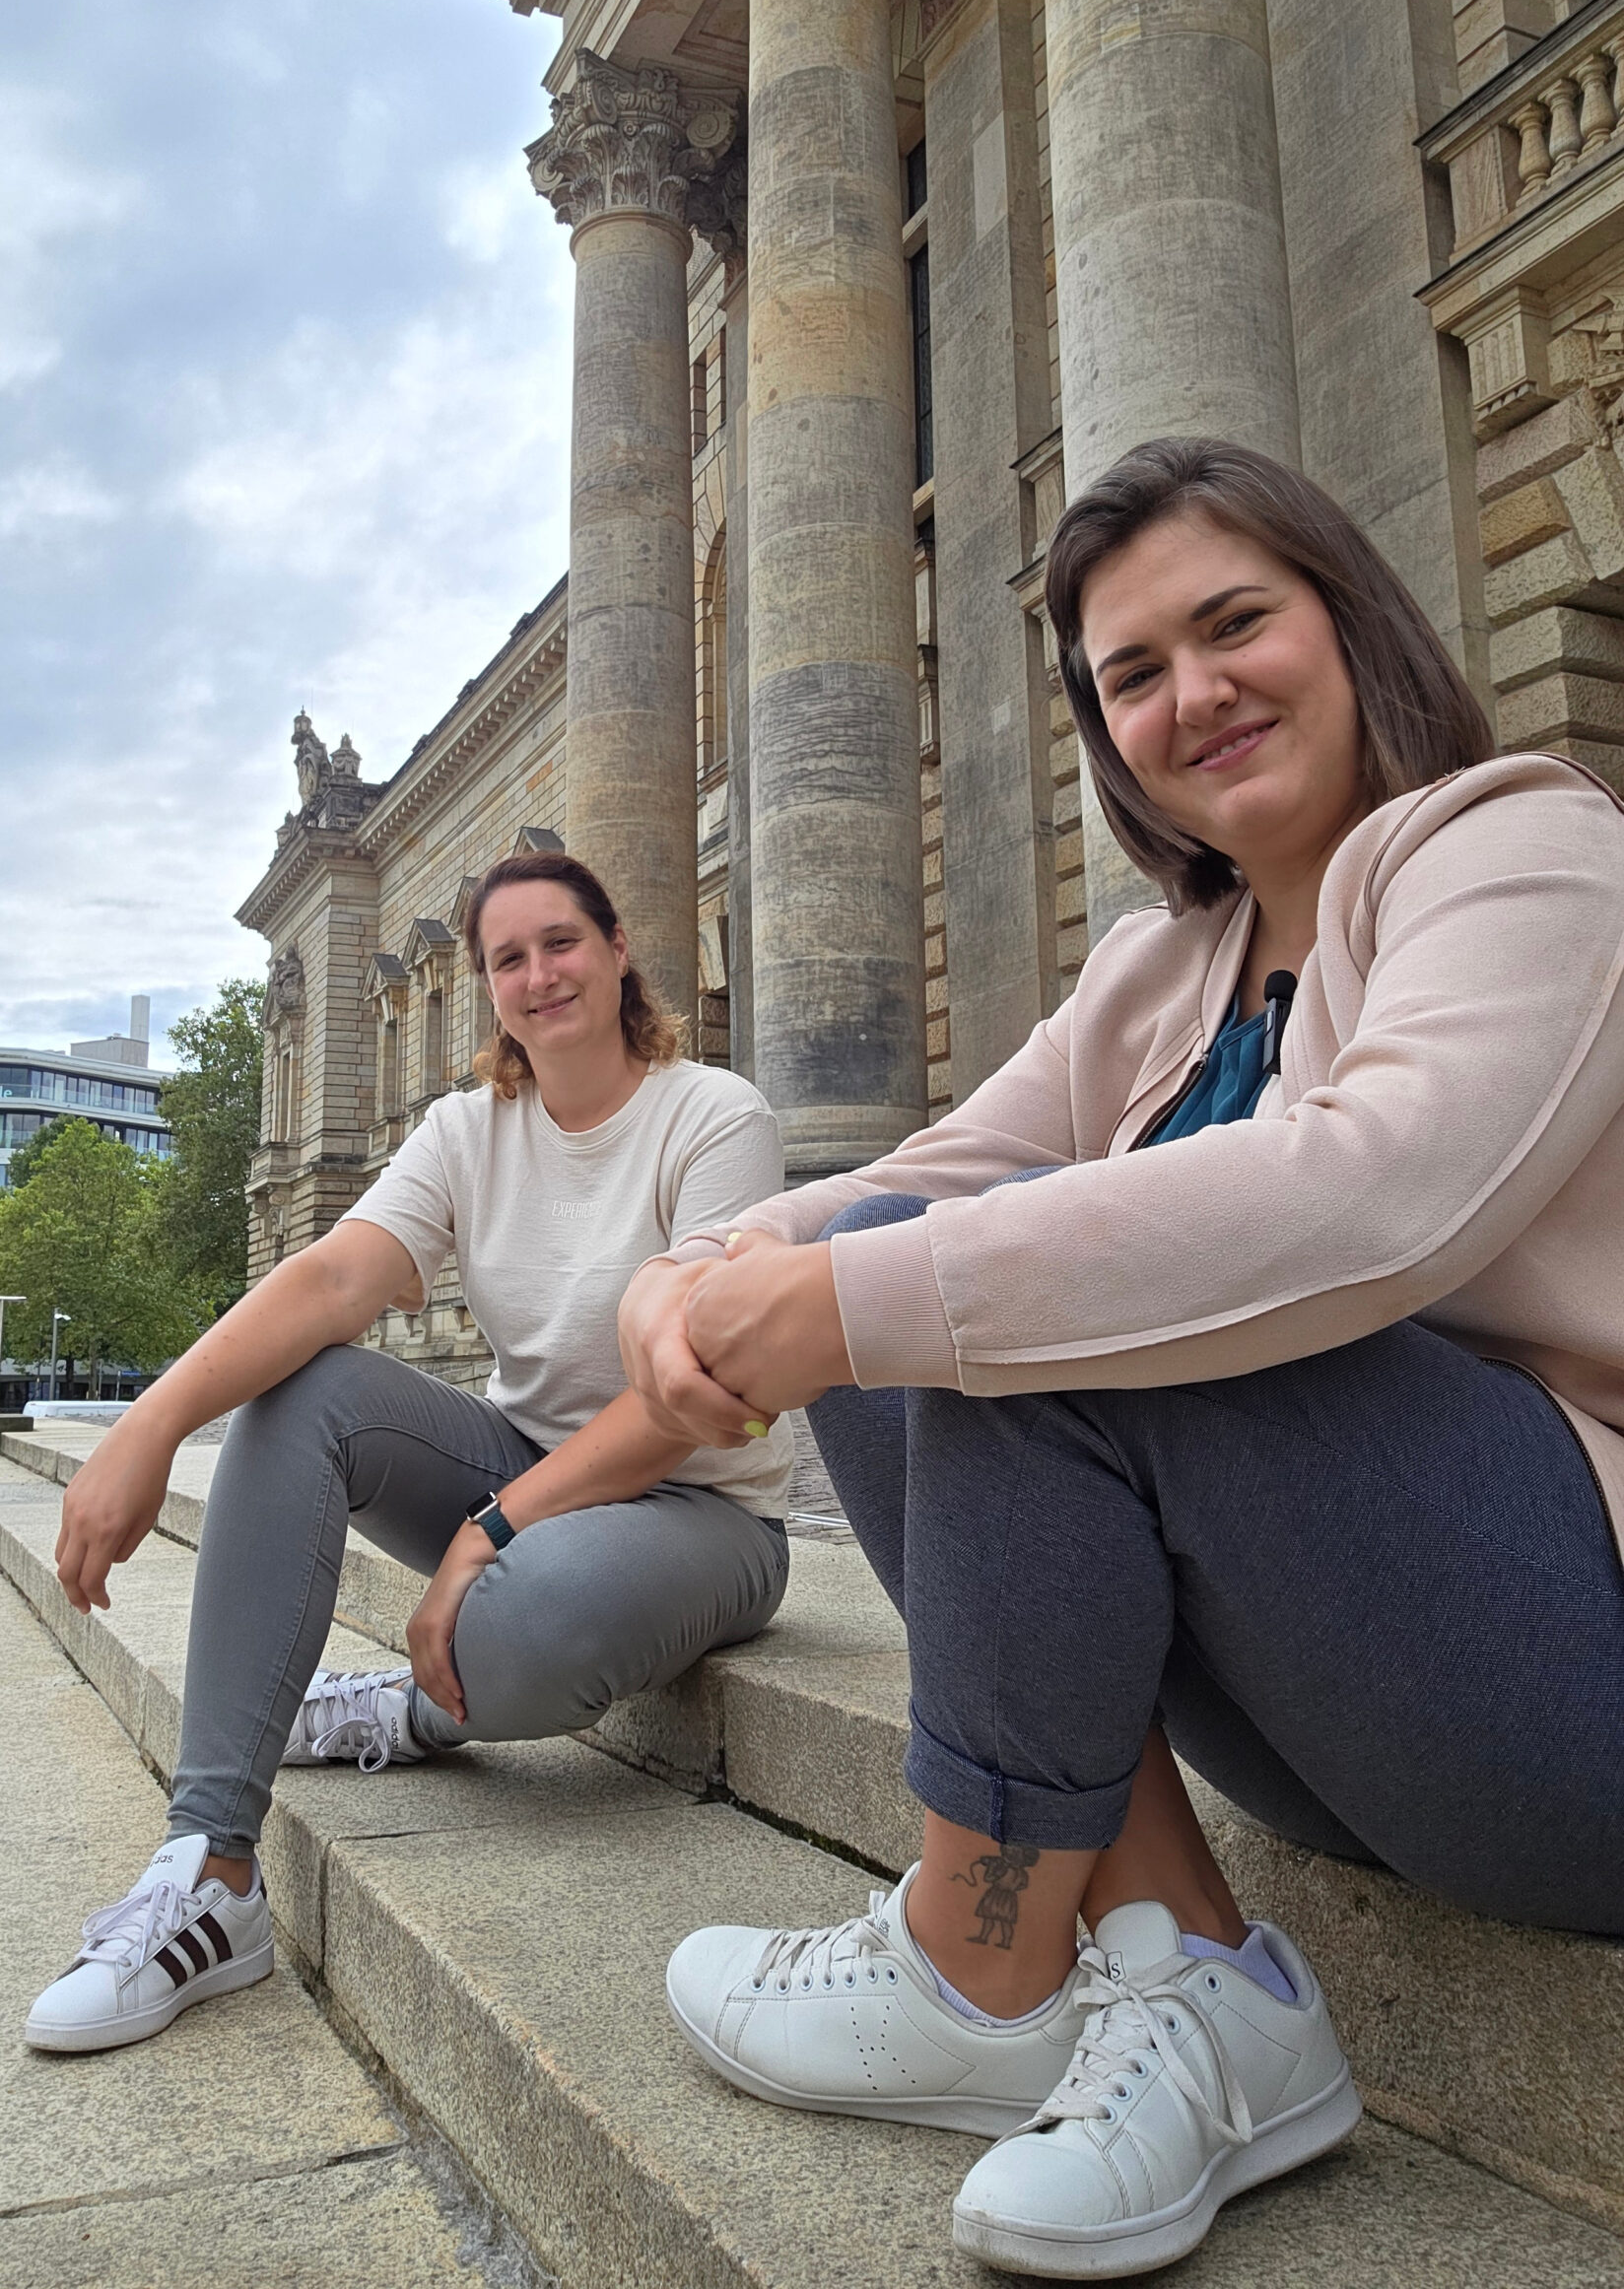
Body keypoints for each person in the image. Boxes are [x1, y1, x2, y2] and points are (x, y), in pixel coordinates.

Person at [620, 439, 1624, 2279]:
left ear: (1350, 617)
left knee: (1009, 1295)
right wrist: (698, 1270)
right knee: (913, 1266)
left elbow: (1378, 1197)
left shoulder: (1522, 843)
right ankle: (1193, 1976)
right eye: (1133, 673)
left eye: (1235, 622)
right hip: (1359, 1722)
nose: (1195, 694)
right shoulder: (1167, 972)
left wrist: (848, 1296)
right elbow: (919, 1183)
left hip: (1576, 1676)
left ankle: (981, 1952)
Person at [25, 850, 794, 2053]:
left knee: (531, 1614)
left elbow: (688, 1404)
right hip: (519, 1462)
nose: (540, 975)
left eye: (562, 942)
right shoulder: (468, 1129)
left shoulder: (713, 1117)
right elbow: (332, 1277)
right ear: (484, 986)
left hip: (703, 1513)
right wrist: (148, 1423)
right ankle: (213, 1869)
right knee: (306, 1387)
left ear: (618, 947)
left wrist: (489, 1535)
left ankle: (405, 1711)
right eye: (508, 958)